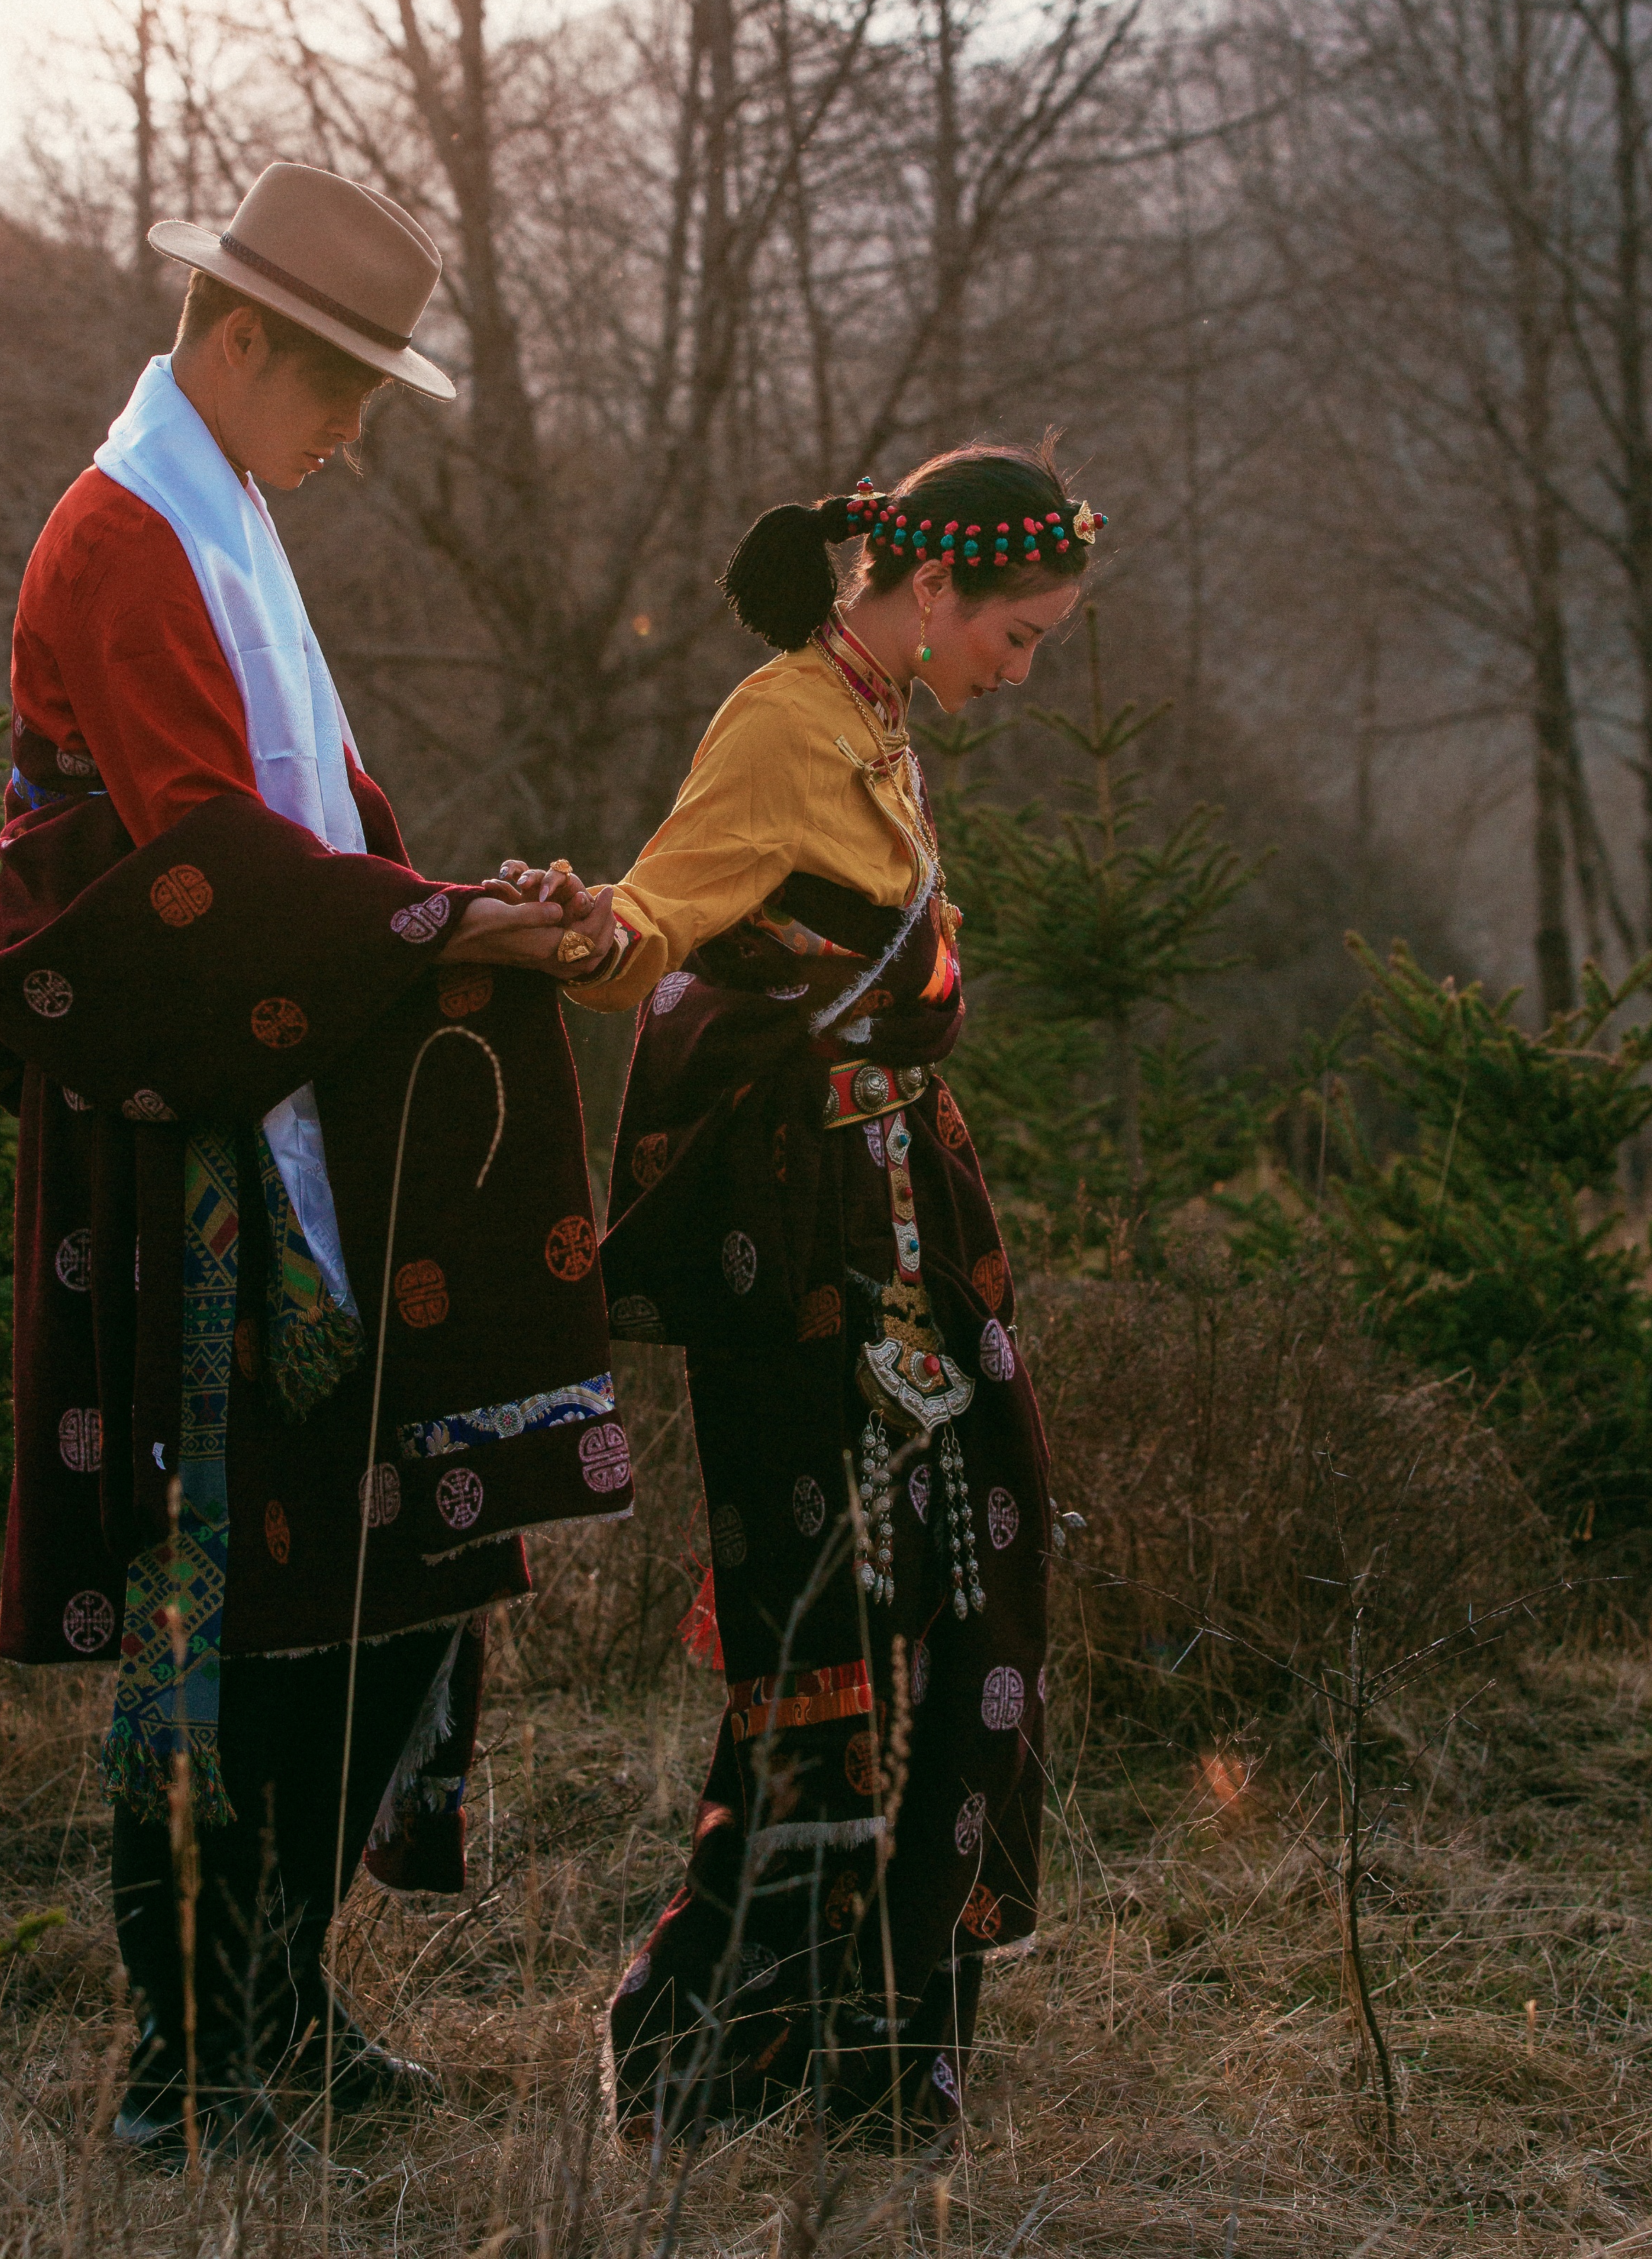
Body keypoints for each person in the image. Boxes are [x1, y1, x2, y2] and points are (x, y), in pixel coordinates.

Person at [0, 161, 631, 2161]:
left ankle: (270, 2004)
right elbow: (199, 873)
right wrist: (438, 927)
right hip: (203, 1161)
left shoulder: (212, 513)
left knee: (364, 1573)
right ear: (237, 344)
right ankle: (197, 2052)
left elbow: (300, 832)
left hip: (282, 1108)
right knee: (245, 1586)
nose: (349, 441)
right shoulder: (129, 539)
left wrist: (449, 907)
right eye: (338, 394)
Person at [566, 442, 1100, 2139]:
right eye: (1018, 636)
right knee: (827, 1622)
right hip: (807, 1250)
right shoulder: (784, 721)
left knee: (944, 1587)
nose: (1022, 671)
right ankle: (726, 2037)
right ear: (931, 587)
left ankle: (880, 2031)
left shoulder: (873, 717)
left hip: (897, 1226)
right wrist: (565, 932)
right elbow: (663, 912)